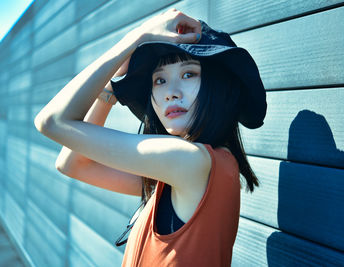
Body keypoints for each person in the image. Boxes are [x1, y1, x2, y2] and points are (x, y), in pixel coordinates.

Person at [34, 8, 266, 267]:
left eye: (188, 74)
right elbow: (71, 164)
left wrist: (135, 38)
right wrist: (110, 90)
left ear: (218, 85)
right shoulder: (190, 169)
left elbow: (51, 122)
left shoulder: (189, 161)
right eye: (159, 80)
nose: (170, 93)